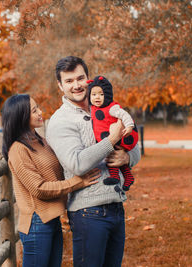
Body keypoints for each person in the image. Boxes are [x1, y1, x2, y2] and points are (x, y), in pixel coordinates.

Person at [46, 56, 141, 267]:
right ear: (60, 86)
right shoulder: (60, 121)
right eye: (69, 81)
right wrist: (112, 140)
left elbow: (135, 146)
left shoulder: (106, 107)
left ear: (88, 79)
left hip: (116, 206)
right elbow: (76, 163)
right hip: (88, 212)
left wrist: (127, 157)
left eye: (80, 78)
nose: (77, 85)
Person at [2, 94, 116, 266]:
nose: (40, 112)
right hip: (36, 222)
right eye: (34, 110)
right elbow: (39, 188)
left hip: (52, 219)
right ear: (21, 116)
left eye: (38, 107)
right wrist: (78, 182)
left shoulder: (41, 142)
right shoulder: (18, 150)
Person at [88, 75, 139, 191]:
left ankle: (115, 176)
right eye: (94, 94)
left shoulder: (112, 108)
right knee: (114, 155)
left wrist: (130, 126)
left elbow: (124, 114)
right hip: (108, 137)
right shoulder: (93, 109)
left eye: (101, 94)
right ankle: (128, 177)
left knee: (112, 156)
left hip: (119, 136)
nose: (97, 97)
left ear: (107, 95)